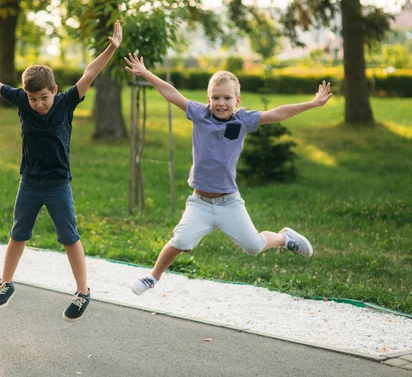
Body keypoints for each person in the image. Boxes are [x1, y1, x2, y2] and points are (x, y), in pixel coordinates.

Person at [0, 20, 123, 320]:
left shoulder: (66, 103)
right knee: (18, 233)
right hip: (29, 181)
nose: (38, 104)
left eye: (43, 97)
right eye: (32, 98)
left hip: (57, 184)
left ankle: (82, 292)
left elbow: (90, 72)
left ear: (54, 90)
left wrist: (111, 48)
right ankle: (5, 283)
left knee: (69, 236)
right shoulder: (22, 102)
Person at [123, 52, 332, 295]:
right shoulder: (199, 114)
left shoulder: (243, 120)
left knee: (254, 246)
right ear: (208, 99)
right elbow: (172, 93)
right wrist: (146, 72)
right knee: (179, 241)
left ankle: (284, 238)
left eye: (227, 98)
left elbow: (277, 113)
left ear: (238, 100)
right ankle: (152, 277)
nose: (221, 103)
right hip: (199, 202)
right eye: (216, 97)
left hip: (229, 202)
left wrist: (311, 103)